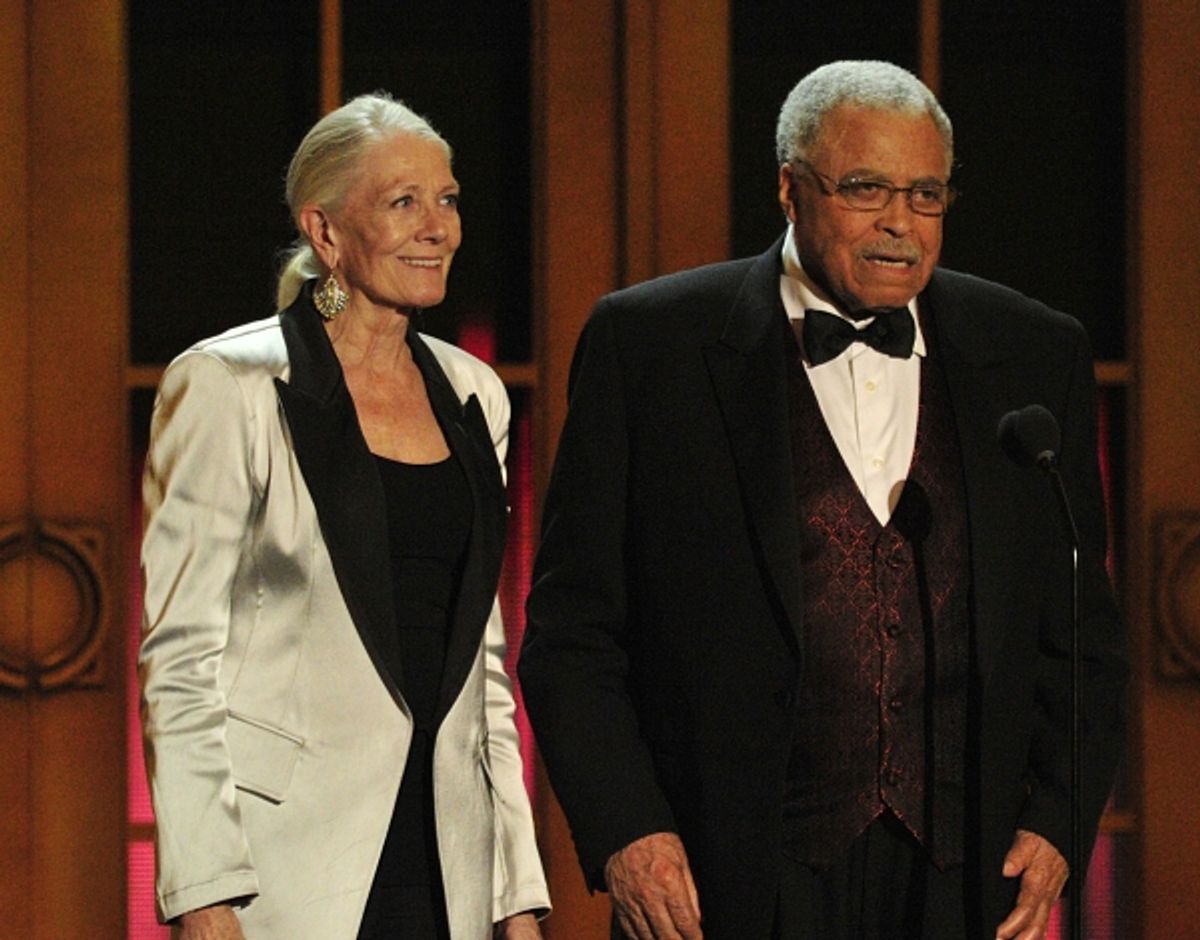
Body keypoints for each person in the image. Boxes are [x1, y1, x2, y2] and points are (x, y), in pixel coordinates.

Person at [519, 60, 1127, 940]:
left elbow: (1083, 639)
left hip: (964, 881)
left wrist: (1060, 818)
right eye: (865, 188)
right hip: (726, 878)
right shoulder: (652, 347)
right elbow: (573, 631)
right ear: (789, 187)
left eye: (926, 194)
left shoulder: (1034, 353)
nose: (900, 225)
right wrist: (628, 830)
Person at [139, 93, 549, 940]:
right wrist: (203, 890)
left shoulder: (474, 395)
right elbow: (180, 659)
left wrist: (513, 889)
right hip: (283, 865)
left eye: (448, 199)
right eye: (404, 203)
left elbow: (485, 668)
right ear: (325, 234)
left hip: (448, 862)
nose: (438, 227)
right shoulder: (228, 385)